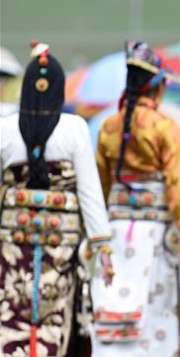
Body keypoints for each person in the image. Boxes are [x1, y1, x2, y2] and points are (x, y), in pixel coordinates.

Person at [0, 43, 114, 356]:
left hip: (12, 246)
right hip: (60, 249)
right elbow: (89, 192)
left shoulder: (5, 129)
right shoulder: (75, 129)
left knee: (11, 316)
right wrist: (102, 246)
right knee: (55, 318)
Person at [91, 41, 180, 357]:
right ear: (157, 86)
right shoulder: (165, 127)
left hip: (114, 229)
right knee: (155, 309)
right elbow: (177, 182)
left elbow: (100, 183)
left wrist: (95, 233)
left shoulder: (108, 127)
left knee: (112, 302)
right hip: (153, 235)